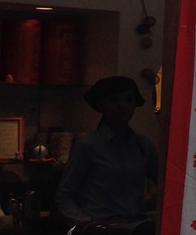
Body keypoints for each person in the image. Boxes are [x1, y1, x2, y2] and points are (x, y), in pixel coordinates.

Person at [56, 75, 159, 224]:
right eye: (114, 100)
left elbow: (166, 182)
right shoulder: (87, 146)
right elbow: (64, 195)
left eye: (128, 99)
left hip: (134, 227)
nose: (122, 105)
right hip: (101, 228)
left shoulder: (143, 145)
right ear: (101, 105)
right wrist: (86, 223)